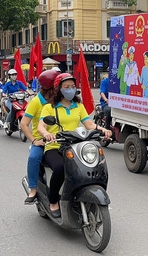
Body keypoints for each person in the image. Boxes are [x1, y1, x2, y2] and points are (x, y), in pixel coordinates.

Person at [37, 73, 112, 217]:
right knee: (60, 168)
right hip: (55, 146)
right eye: (66, 87)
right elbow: (41, 126)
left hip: (75, 146)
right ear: (58, 89)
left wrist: (103, 130)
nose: (70, 89)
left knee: (94, 165)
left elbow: (89, 124)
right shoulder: (49, 107)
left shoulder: (78, 106)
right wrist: (46, 134)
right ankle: (53, 202)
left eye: (72, 86)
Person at [20, 69, 60, 205]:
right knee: (34, 157)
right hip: (41, 140)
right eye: (56, 88)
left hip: (59, 139)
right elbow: (24, 124)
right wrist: (34, 140)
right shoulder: (36, 102)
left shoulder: (59, 101)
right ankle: (33, 190)